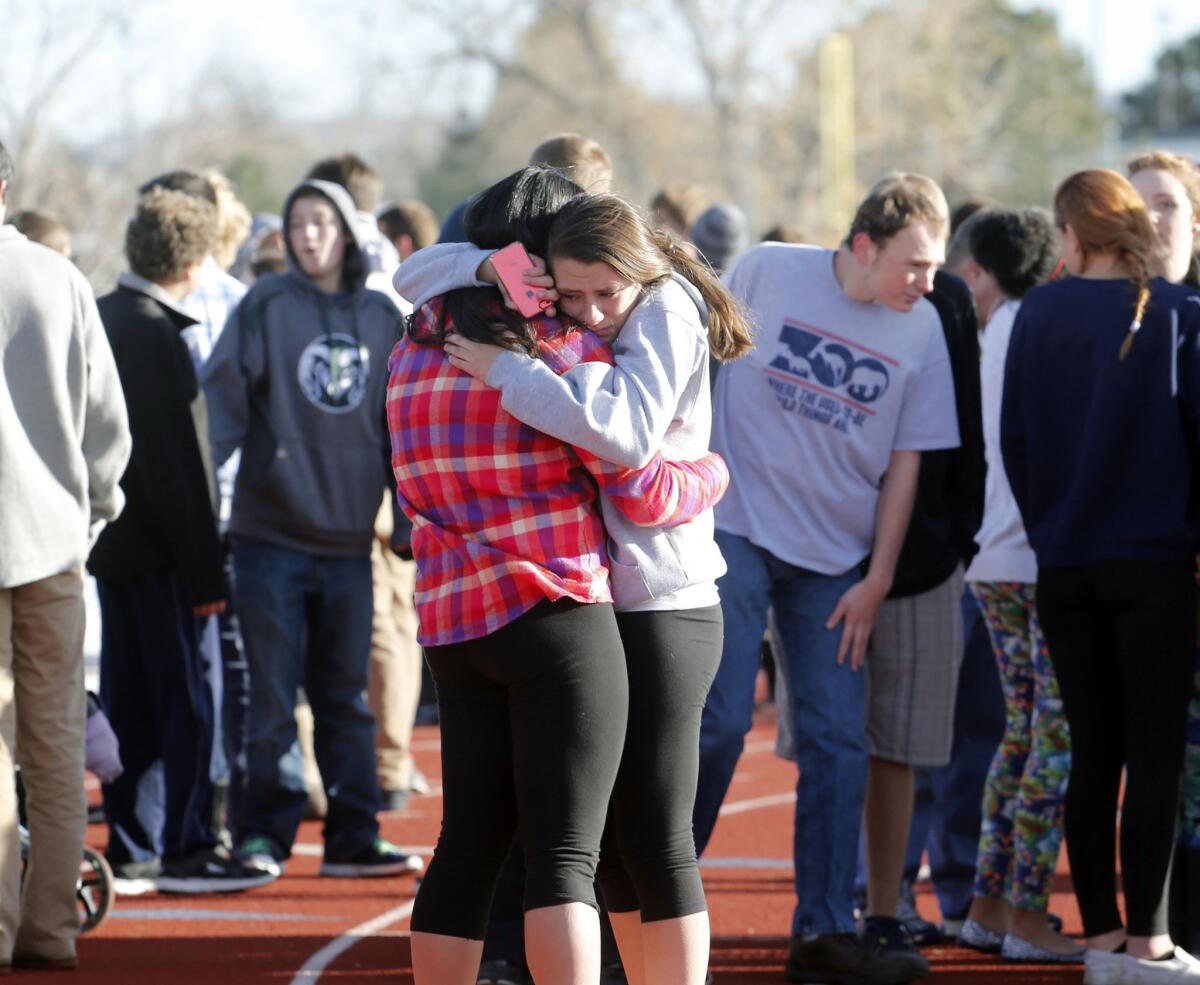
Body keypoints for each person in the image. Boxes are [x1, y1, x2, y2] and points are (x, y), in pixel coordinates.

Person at [389, 166, 733, 985]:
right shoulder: (557, 346)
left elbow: (413, 275)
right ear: (535, 259)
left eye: (599, 291)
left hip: (456, 614)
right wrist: (713, 474)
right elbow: (638, 478)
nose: (586, 306)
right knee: (583, 851)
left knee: (475, 841)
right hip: (561, 608)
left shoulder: (415, 344)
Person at [694, 173, 961, 985]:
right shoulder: (770, 269)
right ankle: (644, 902)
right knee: (719, 721)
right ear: (864, 246)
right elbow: (703, 367)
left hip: (833, 565)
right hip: (736, 524)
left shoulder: (924, 329)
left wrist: (877, 577)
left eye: (937, 265)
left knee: (841, 740)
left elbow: (908, 462)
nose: (928, 281)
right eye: (915, 263)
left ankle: (821, 929)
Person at [1001, 168, 1200, 985]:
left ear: (1072, 235)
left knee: (1093, 752)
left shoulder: (1037, 312)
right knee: (1153, 755)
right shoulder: (1182, 316)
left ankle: (1107, 936)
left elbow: (1013, 440)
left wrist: (1053, 526)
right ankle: (1150, 942)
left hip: (1064, 563)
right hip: (1153, 565)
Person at [201, 177, 419, 881]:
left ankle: (354, 834)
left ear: (348, 231)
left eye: (322, 221)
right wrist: (197, 510)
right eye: (298, 222)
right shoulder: (265, 305)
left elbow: (401, 432)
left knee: (348, 698)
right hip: (269, 540)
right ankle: (262, 834)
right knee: (269, 697)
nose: (308, 234)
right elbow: (219, 414)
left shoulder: (384, 317)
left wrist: (411, 519)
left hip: (351, 544)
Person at [88, 188, 270, 894]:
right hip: (165, 553)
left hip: (110, 545)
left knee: (129, 693)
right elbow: (181, 470)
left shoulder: (102, 315)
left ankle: (131, 842)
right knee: (188, 702)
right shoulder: (159, 336)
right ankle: (190, 841)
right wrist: (205, 577)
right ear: (195, 261)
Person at [0, 138, 130, 972]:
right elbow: (106, 426)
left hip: (40, 535)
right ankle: (48, 929)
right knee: (52, 743)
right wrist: (87, 519)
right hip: (51, 540)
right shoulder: (57, 275)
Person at [950, 208, 1081, 962]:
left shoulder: (993, 330)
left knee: (1021, 734)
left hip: (995, 559)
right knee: (1053, 740)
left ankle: (991, 907)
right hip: (1036, 558)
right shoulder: (1039, 326)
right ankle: (1026, 913)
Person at [1128, 150, 1200, 950]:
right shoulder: (1105, 325)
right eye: (1136, 204)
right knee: (1162, 764)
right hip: (1144, 582)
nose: (1151, 219)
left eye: (1168, 205)